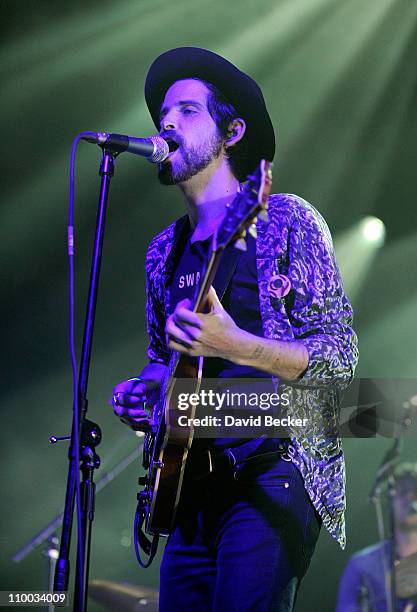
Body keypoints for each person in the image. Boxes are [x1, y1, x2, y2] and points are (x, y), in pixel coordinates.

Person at [111, 47, 359, 612]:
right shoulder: (163, 253)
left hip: (270, 475)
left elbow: (340, 361)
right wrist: (147, 390)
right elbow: (163, 359)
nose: (167, 123)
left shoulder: (285, 220)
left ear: (233, 131)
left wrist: (239, 345)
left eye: (188, 111)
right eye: (163, 115)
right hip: (186, 492)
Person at [336, 462, 417, 612]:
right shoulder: (361, 565)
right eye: (404, 492)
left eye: (415, 492)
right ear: (390, 501)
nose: (411, 499)